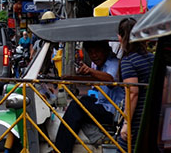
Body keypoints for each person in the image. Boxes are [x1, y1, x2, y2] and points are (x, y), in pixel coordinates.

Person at [54, 40, 124, 153]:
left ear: (106, 50)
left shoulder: (113, 62)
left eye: (97, 52)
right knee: (82, 100)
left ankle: (60, 150)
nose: (94, 56)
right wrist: (71, 78)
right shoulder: (98, 66)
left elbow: (110, 79)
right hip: (103, 103)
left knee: (76, 106)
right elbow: (95, 80)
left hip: (113, 111)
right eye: (91, 53)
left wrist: (90, 71)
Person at [117, 17, 154, 145]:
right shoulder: (152, 58)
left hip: (137, 117)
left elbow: (133, 93)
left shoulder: (128, 61)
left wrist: (126, 123)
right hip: (153, 114)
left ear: (120, 38)